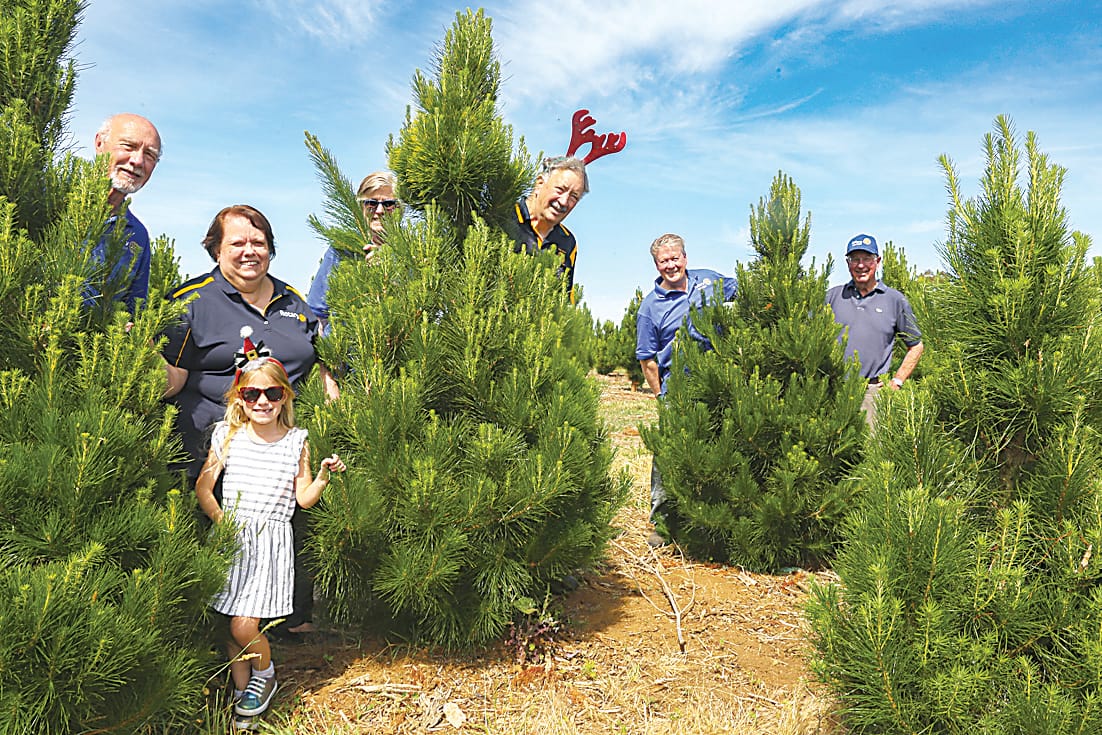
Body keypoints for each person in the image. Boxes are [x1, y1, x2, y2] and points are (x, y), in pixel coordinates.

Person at [162, 204, 339, 637]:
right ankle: (219, 637)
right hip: (214, 447)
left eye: (258, 242)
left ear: (271, 250)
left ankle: (283, 626)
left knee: (283, 539)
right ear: (216, 249)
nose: (249, 252)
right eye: (237, 242)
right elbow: (172, 378)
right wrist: (130, 355)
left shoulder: (293, 302)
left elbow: (321, 363)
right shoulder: (192, 302)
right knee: (224, 551)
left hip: (282, 450)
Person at [194, 342, 345, 720]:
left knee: (244, 625)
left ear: (284, 397)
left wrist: (324, 477)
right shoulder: (227, 435)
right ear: (239, 397)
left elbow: (304, 498)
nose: (262, 401)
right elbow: (203, 486)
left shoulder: (297, 441)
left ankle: (265, 674)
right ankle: (244, 697)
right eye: (252, 393)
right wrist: (220, 519)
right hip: (230, 539)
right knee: (230, 630)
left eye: (272, 393)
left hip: (268, 546)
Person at [635, 233, 736, 545]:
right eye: (664, 261)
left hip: (717, 384)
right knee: (668, 457)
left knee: (719, 451)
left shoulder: (708, 282)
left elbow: (748, 289)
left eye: (675, 258)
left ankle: (713, 521)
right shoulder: (651, 307)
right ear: (656, 265)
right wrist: (662, 396)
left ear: (685, 258)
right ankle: (662, 524)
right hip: (677, 388)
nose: (671, 265)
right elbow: (647, 360)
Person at [826, 233, 924, 430]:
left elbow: (916, 346)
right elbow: (808, 336)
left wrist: (897, 382)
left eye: (867, 259)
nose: (861, 265)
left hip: (872, 394)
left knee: (869, 454)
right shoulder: (832, 297)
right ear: (848, 263)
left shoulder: (895, 300)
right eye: (855, 259)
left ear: (877, 261)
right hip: (833, 391)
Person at [307, 171, 400, 331]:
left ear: (398, 208)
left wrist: (388, 274)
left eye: (388, 204)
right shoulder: (342, 249)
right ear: (360, 208)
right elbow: (316, 313)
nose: (379, 210)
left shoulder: (411, 251)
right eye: (371, 203)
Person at [87, 113, 162, 312]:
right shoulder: (49, 199)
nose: (137, 161)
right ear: (99, 143)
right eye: (128, 146)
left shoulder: (137, 235)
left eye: (150, 155)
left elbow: (132, 312)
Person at [505, 156, 588, 301]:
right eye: (560, 189)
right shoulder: (504, 217)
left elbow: (565, 303)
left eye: (574, 196)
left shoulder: (567, 242)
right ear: (539, 184)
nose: (564, 201)